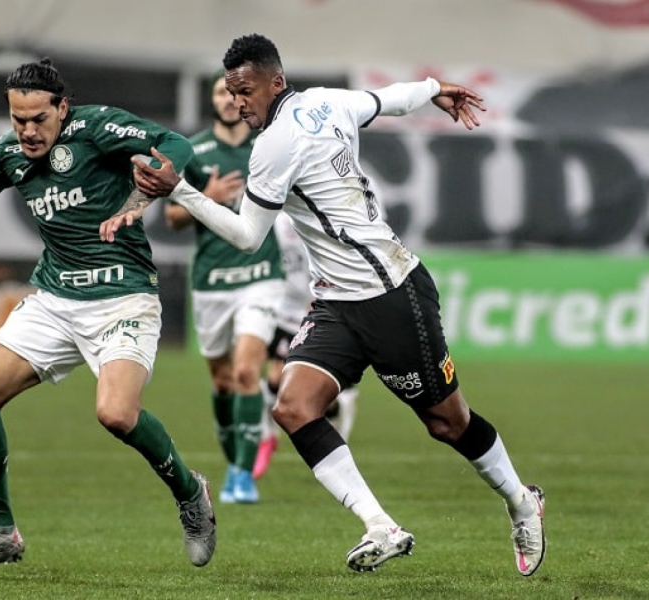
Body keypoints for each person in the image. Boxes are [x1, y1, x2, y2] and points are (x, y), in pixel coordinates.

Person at [105, 34, 546, 577]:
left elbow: (246, 235)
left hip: (391, 294)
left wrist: (183, 192)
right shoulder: (328, 101)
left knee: (447, 423)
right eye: (231, 93)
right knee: (292, 407)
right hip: (337, 303)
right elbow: (389, 99)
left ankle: (522, 501)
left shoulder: (273, 146)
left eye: (246, 91)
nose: (240, 103)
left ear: (276, 82)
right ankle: (379, 525)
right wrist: (435, 89)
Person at [0, 57, 217, 578]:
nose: (28, 131)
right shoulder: (10, 153)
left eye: (39, 118)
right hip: (54, 300)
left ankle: (191, 492)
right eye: (18, 120)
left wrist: (143, 192)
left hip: (123, 297)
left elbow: (177, 144)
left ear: (62, 108)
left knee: (117, 415)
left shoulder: (96, 126)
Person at [164, 70, 285, 503]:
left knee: (247, 371)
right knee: (221, 381)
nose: (229, 98)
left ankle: (241, 474)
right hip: (212, 280)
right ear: (213, 100)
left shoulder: (268, 143)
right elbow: (172, 220)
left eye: (235, 91)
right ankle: (234, 458)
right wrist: (206, 196)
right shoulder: (193, 150)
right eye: (220, 90)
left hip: (261, 275)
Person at [252, 212, 358, 479]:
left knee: (315, 396)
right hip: (283, 308)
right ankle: (267, 438)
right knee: (275, 379)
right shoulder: (274, 219)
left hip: (314, 306)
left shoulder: (312, 216)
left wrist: (318, 295)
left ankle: (335, 420)